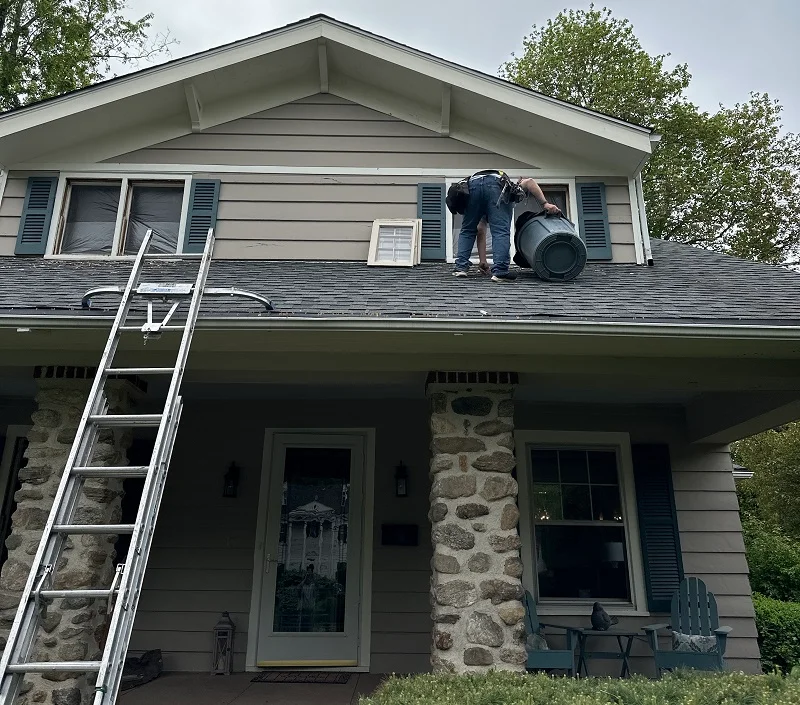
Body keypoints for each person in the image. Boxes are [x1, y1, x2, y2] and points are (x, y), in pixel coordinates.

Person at [453, 172, 560, 283]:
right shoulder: (512, 188)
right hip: (495, 184)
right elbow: (530, 182)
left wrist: (483, 260)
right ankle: (500, 271)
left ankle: (461, 268)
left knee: (467, 230)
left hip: (471, 186)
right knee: (500, 232)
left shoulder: (482, 206)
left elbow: (480, 230)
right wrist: (545, 204)